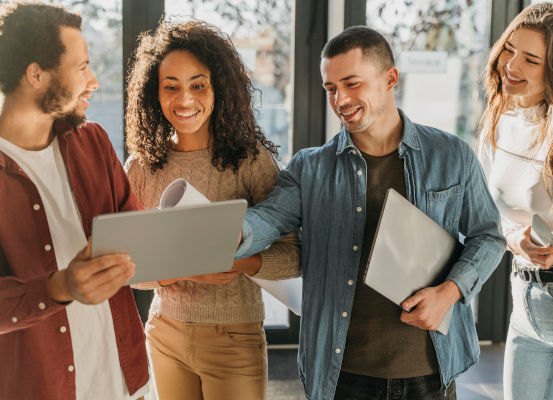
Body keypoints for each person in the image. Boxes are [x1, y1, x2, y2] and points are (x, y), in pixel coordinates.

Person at [236, 26, 506, 400]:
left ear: (390, 78)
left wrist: (449, 291)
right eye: (331, 88)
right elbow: (265, 220)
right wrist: (226, 234)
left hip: (430, 372)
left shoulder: (452, 155)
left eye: (352, 83)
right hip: (341, 375)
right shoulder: (309, 168)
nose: (340, 99)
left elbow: (488, 236)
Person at [124, 19, 300, 400]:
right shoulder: (140, 167)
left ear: (218, 88)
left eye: (197, 85)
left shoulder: (250, 160)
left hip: (234, 335)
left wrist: (234, 263)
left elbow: (293, 256)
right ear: (155, 94)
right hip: (163, 332)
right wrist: (176, 271)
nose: (184, 100)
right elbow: (129, 270)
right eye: (171, 87)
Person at [0, 3, 149, 400]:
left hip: (129, 381)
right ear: (36, 75)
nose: (94, 80)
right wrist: (59, 286)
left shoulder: (93, 141)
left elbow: (136, 241)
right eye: (82, 67)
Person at [478, 3, 553, 400]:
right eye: (509, 49)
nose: (511, 65)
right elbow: (487, 217)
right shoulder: (498, 121)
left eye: (531, 59)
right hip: (522, 307)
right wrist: (516, 239)